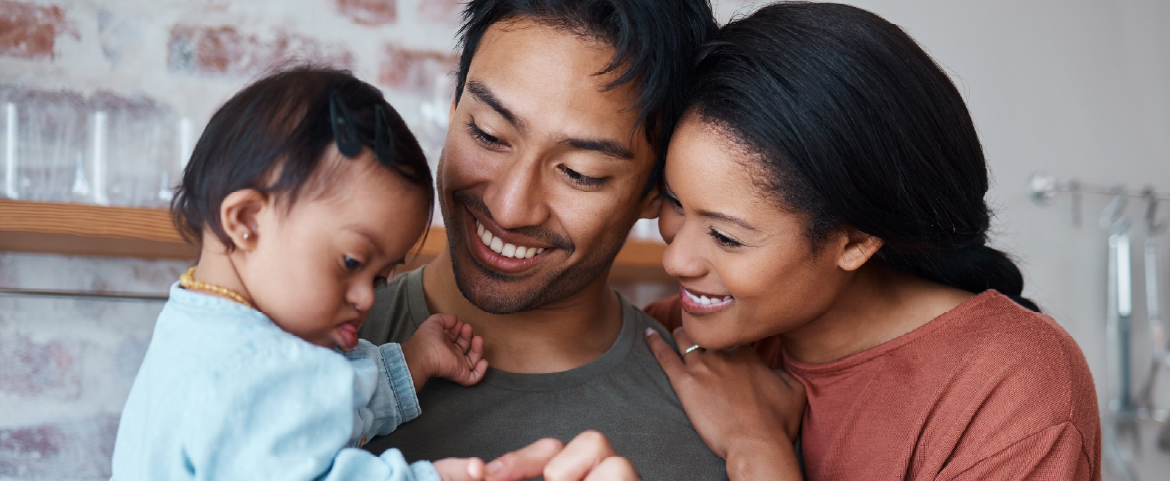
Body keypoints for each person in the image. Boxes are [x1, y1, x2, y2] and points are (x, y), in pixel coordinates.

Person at [641, 3, 1102, 480]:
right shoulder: (674, 333)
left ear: (856, 242)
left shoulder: (1008, 387)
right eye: (675, 202)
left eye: (725, 237)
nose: (676, 260)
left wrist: (756, 448)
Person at [357, 0, 727, 478]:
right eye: (488, 134)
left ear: (657, 192)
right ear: (454, 107)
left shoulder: (727, 432)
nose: (509, 209)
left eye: (579, 173)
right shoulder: (292, 348)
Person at [111, 67, 495, 480]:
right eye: (352, 262)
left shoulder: (198, 329)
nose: (367, 297)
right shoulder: (253, 366)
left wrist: (413, 361)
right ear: (248, 220)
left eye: (379, 278)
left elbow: (310, 410)